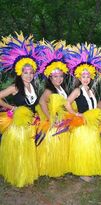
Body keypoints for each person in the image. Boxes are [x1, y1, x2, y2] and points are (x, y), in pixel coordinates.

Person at [0, 34, 39, 187]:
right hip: (18, 126)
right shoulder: (15, 87)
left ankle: (26, 175)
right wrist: (11, 107)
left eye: (31, 72)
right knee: (20, 152)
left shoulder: (33, 86)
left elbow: (32, 105)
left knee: (27, 150)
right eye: (25, 72)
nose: (28, 75)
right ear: (20, 72)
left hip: (30, 125)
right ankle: (19, 177)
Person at [65, 44, 101, 182]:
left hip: (92, 124)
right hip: (82, 124)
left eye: (88, 76)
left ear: (91, 77)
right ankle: (83, 172)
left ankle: (90, 168)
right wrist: (75, 114)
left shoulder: (92, 91)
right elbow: (67, 103)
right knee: (84, 148)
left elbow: (94, 107)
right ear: (79, 77)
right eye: (83, 76)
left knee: (92, 147)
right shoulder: (77, 90)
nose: (85, 78)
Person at [36, 41, 70, 177]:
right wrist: (50, 117)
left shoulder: (61, 88)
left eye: (61, 76)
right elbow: (41, 102)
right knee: (54, 144)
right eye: (56, 76)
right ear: (50, 77)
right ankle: (51, 168)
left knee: (61, 143)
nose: (59, 78)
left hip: (62, 120)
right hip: (54, 121)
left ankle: (60, 167)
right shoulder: (49, 89)